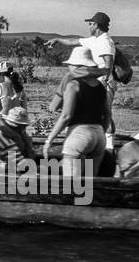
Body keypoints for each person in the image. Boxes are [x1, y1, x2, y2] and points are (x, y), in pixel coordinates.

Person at [43, 47, 112, 177]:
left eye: (70, 64)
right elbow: (108, 114)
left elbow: (66, 116)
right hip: (99, 136)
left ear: (77, 66)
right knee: (91, 184)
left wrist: (49, 140)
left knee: (71, 185)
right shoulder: (101, 86)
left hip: (79, 135)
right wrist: (100, 131)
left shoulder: (73, 85)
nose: (69, 67)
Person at [45, 10, 117, 126]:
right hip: (95, 80)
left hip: (103, 82)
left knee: (103, 113)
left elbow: (108, 63)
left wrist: (103, 81)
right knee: (95, 112)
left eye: (90, 24)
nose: (89, 27)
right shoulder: (94, 40)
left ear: (96, 25)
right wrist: (57, 39)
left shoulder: (105, 42)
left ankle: (108, 142)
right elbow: (72, 41)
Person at [0, 62, 27, 128]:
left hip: (0, 123)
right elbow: (24, 110)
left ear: (1, 75)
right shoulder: (21, 89)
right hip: (15, 123)